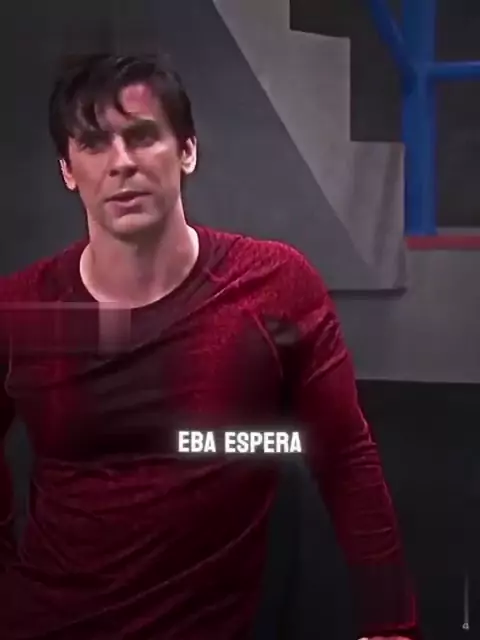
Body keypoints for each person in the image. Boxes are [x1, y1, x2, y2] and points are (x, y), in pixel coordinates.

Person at [0, 52, 418, 639]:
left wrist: (392, 626)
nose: (122, 163)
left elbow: (346, 457)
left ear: (187, 151)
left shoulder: (272, 287)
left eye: (143, 136)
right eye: (94, 144)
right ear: (68, 170)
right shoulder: (23, 310)